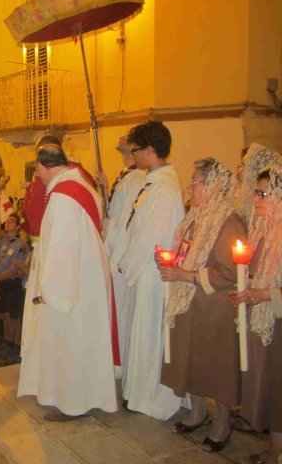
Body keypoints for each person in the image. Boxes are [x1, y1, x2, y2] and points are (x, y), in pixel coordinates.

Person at [18, 143, 117, 421]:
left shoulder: (62, 197)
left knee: (71, 340)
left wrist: (49, 291)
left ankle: (72, 402)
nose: (40, 178)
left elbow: (61, 249)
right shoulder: (83, 186)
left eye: (38, 173)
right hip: (88, 276)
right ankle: (89, 395)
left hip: (71, 283)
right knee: (86, 339)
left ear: (43, 166)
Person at [158, 159, 246, 452]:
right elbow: (187, 251)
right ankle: (197, 413)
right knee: (189, 361)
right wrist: (169, 259)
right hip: (188, 301)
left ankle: (222, 425)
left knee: (217, 367)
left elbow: (229, 272)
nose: (189, 187)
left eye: (195, 182)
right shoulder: (194, 216)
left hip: (214, 307)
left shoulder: (228, 221)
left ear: (212, 186)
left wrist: (184, 274)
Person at [117, 121, 186, 420]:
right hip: (142, 270)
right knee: (139, 332)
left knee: (148, 334)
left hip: (152, 275)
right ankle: (136, 391)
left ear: (149, 151)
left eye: (135, 151)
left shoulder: (165, 191)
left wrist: (126, 262)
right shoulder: (154, 184)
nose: (132, 156)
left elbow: (151, 239)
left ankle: (147, 397)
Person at [229, 166, 282, 464]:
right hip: (266, 319)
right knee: (273, 387)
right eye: (256, 192)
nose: (257, 199)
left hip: (278, 319)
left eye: (264, 193)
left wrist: (262, 295)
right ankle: (275, 448)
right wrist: (245, 291)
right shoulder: (264, 229)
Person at [99, 135, 145, 377]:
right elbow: (113, 210)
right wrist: (106, 188)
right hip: (111, 244)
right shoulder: (125, 174)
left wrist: (118, 255)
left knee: (121, 311)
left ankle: (122, 367)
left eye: (127, 138)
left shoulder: (137, 177)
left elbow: (127, 219)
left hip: (118, 251)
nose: (121, 139)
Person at [0, 213, 28, 364]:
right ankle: (8, 343)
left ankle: (16, 347)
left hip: (13, 284)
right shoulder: (3, 243)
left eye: (12, 221)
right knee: (5, 315)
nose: (7, 223)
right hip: (2, 283)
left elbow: (15, 269)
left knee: (14, 318)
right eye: (6, 221)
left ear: (18, 227)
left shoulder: (21, 245)